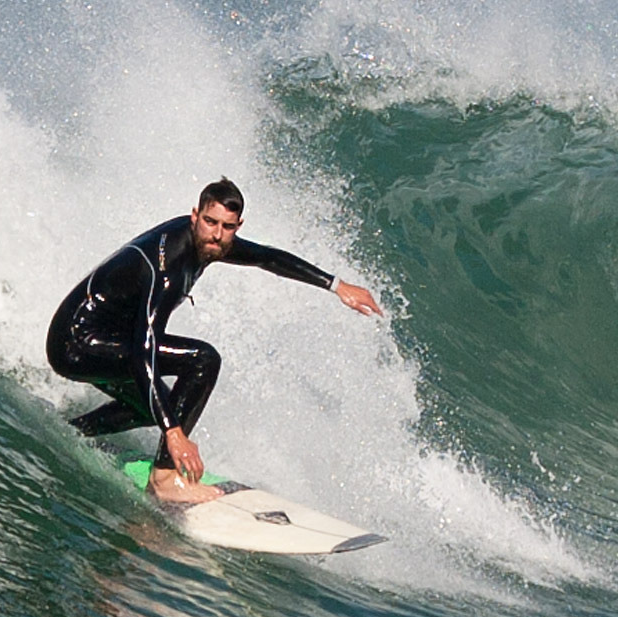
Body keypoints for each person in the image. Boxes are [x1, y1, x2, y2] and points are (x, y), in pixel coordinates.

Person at [45, 178, 383, 504]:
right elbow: (142, 350)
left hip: (108, 337)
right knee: (202, 360)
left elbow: (267, 258)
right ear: (195, 216)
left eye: (227, 226)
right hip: (76, 343)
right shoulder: (169, 270)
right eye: (209, 222)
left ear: (238, 226)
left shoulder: (211, 242)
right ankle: (164, 479)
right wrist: (175, 434)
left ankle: (70, 431)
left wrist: (336, 286)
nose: (217, 234)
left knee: (160, 408)